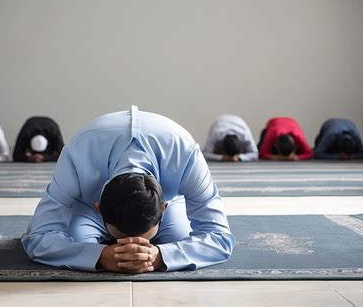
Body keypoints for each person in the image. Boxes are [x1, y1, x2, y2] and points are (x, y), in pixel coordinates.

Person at [22, 106, 235, 274]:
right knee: (81, 241)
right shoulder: (78, 153)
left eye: (143, 241)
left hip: (169, 189)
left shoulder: (184, 154)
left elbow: (220, 237)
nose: (134, 247)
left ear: (163, 208)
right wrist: (101, 257)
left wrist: (160, 256)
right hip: (84, 206)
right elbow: (38, 236)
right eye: (122, 240)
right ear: (100, 208)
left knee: (178, 238)